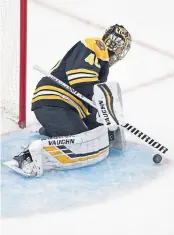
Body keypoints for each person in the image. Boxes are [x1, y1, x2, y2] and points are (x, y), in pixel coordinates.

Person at [4, 24, 132, 177]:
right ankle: (26, 158)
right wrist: (103, 106)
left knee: (91, 134)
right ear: (119, 49)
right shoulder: (96, 46)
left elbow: (89, 101)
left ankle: (52, 130)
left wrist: (102, 123)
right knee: (80, 143)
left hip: (63, 106)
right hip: (53, 101)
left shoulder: (102, 63)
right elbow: (81, 80)